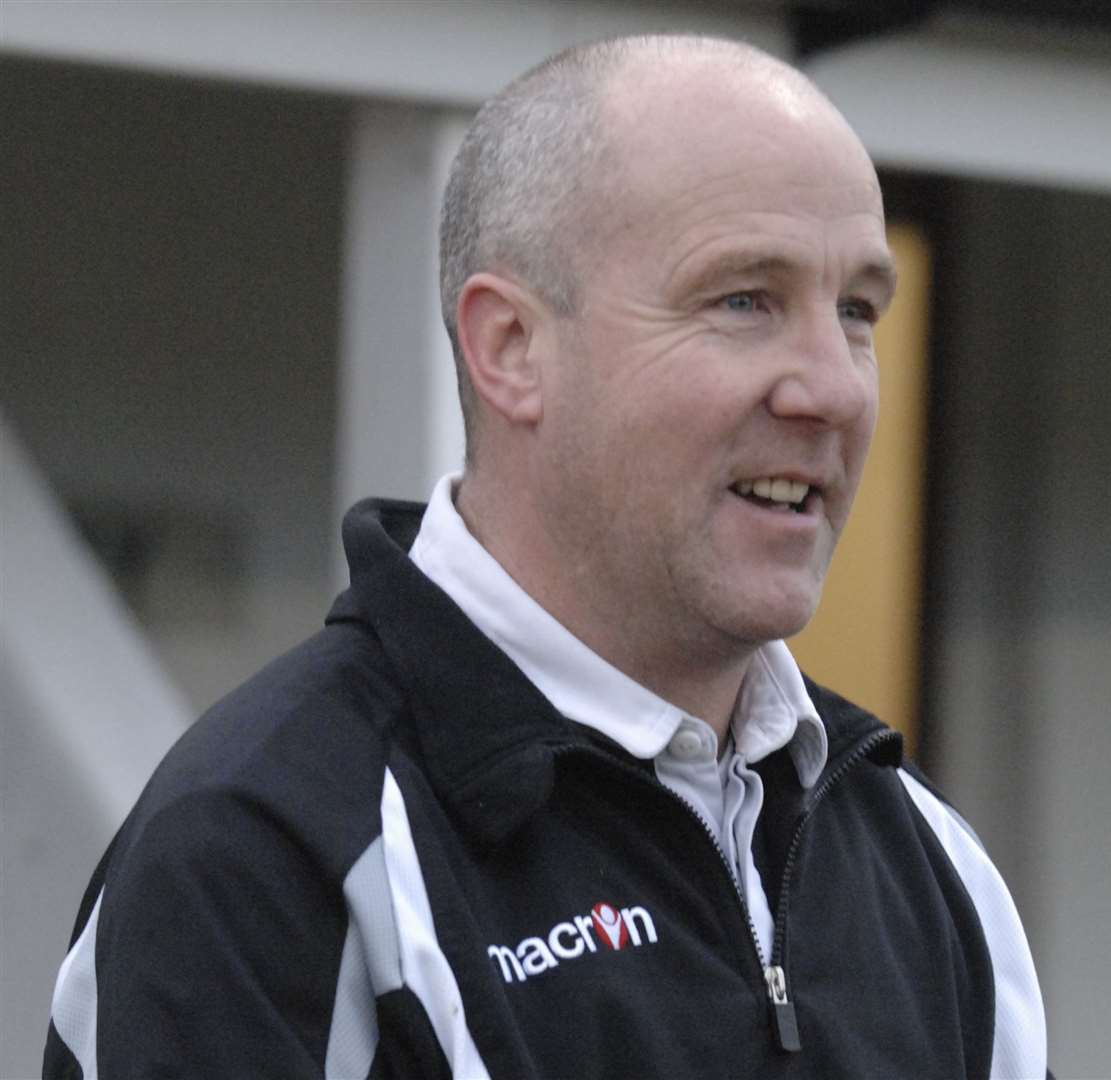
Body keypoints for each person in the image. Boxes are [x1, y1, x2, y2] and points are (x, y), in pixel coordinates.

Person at [45, 34, 1048, 1079]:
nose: (833, 389)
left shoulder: (929, 860)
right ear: (512, 348)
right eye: (743, 300)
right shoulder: (272, 849)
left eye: (855, 312)